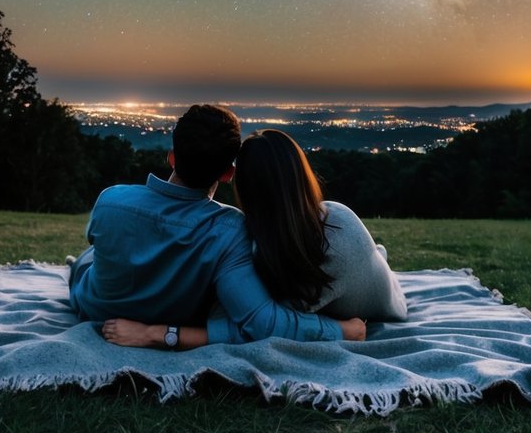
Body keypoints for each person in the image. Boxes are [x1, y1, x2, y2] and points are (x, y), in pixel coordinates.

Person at [69, 105, 366, 348]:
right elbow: (261, 322)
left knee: (87, 261)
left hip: (94, 309)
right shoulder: (230, 230)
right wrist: (341, 330)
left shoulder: (110, 200)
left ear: (171, 157)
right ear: (227, 174)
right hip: (151, 307)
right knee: (87, 262)